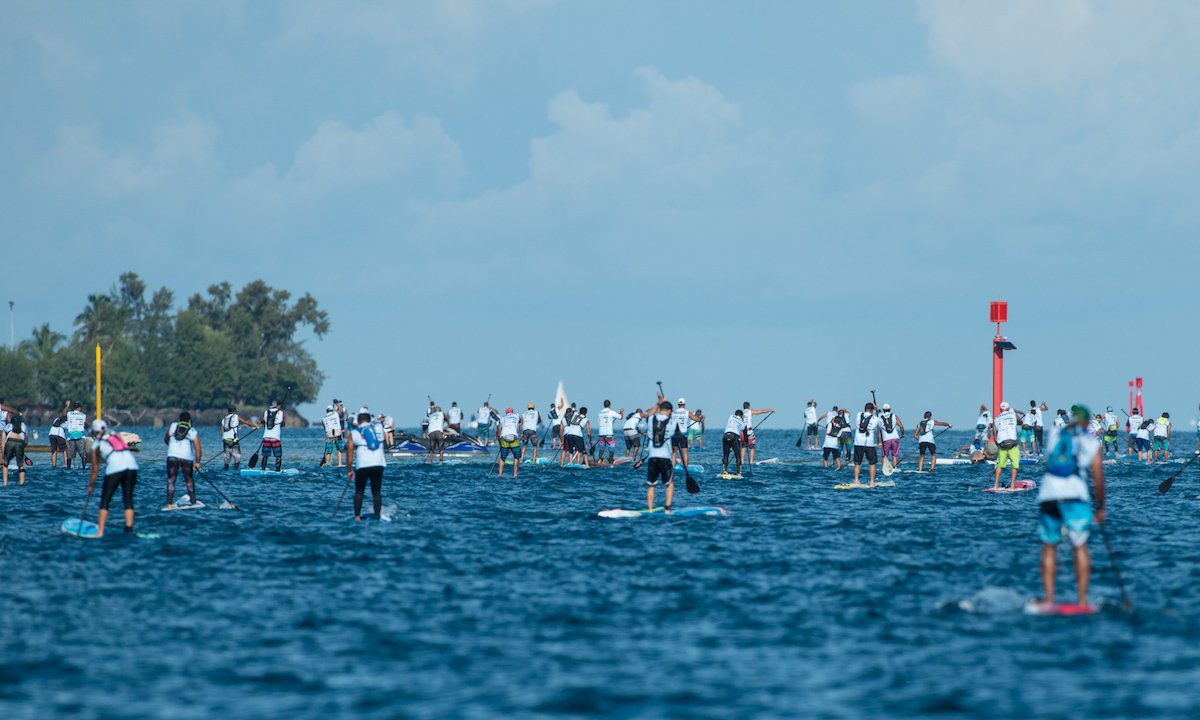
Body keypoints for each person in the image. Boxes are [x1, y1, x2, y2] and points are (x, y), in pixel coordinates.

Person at [1032, 405, 1105, 610]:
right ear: (1088, 423)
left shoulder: (1055, 432)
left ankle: (1048, 599)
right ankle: (1082, 600)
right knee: (1079, 546)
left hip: (1048, 495)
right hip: (1076, 497)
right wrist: (1101, 507)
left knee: (1049, 546)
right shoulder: (1092, 442)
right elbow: (1098, 478)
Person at [86, 419, 138, 536]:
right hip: (132, 466)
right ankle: (129, 529)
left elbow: (95, 468)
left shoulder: (97, 443)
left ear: (95, 432)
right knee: (128, 499)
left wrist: (91, 485)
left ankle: (100, 532)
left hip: (115, 468)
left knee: (105, 500)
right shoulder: (116, 435)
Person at [635, 400, 681, 513]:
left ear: (659, 410)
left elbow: (650, 414)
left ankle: (650, 510)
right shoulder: (673, 423)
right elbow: (679, 435)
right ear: (670, 411)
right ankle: (667, 509)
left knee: (651, 485)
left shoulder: (651, 420)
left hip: (652, 457)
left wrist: (658, 402)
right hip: (665, 457)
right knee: (669, 484)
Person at [347, 410, 387, 520]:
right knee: (376, 492)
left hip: (362, 464)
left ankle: (357, 516)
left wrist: (349, 470)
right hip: (378, 463)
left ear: (358, 422)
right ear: (370, 421)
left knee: (359, 491)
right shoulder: (378, 428)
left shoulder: (354, 432)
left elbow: (350, 454)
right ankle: (377, 515)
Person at [163, 412, 201, 507]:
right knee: (189, 480)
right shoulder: (192, 430)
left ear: (179, 420)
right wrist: (197, 463)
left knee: (171, 480)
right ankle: (193, 502)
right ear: (189, 421)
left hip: (172, 456)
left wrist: (173, 448)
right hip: (186, 458)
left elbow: (166, 439)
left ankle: (169, 504)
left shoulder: (172, 426)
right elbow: (198, 449)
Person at [851, 402, 884, 486]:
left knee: (857, 463)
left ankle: (856, 481)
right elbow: (880, 428)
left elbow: (866, 412)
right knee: (872, 463)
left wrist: (872, 406)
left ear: (864, 409)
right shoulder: (876, 419)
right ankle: (872, 483)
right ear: (873, 410)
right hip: (869, 444)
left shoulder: (859, 415)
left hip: (858, 443)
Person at [992, 401, 1021, 490]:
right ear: (1008, 408)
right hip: (1012, 444)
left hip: (1002, 444)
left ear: (1000, 409)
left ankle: (996, 485)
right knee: (1015, 465)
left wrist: (997, 443)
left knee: (999, 465)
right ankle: (1012, 485)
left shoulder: (996, 419)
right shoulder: (1013, 414)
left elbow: (994, 432)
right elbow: (1020, 422)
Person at [220, 405, 259, 471]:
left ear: (228, 412)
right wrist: (255, 426)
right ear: (235, 411)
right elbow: (246, 422)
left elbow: (222, 432)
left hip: (225, 440)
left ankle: (226, 470)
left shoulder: (224, 419)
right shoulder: (236, 417)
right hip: (234, 440)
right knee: (237, 456)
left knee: (227, 457)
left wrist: (225, 439)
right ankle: (235, 470)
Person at [670, 398, 702, 470]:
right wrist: (702, 417)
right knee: (685, 452)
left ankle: (673, 467)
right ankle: (685, 468)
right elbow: (697, 419)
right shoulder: (688, 412)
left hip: (674, 435)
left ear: (678, 405)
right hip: (683, 435)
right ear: (684, 404)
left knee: (674, 452)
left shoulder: (673, 413)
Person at [740, 402, 775, 467]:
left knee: (744, 447)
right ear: (749, 407)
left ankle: (742, 462)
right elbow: (760, 411)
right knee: (752, 447)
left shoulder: (741, 413)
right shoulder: (751, 411)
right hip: (749, 432)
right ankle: (751, 462)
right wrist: (770, 410)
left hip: (742, 433)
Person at [2, 411, 29, 486]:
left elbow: (3, 443)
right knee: (21, 465)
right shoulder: (24, 425)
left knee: (5, 464)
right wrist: (22, 448)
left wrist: (3, 455)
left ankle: (5, 483)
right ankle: (22, 483)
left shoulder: (7, 426)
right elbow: (26, 440)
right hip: (20, 442)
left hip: (10, 442)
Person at [260, 400, 286, 472]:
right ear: (279, 406)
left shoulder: (266, 412)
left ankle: (263, 469)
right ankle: (278, 470)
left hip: (266, 437)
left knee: (265, 455)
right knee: (278, 456)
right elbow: (283, 424)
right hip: (275, 438)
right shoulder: (281, 413)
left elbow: (262, 421)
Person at [496, 407, 521, 478]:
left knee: (502, 458)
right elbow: (520, 422)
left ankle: (500, 474)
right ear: (512, 412)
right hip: (514, 437)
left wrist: (500, 442)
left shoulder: (502, 418)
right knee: (516, 457)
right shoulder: (517, 415)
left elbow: (499, 431)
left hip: (504, 437)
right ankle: (515, 474)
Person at [65, 402, 89, 469]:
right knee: (83, 455)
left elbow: (63, 414)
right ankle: (84, 467)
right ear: (79, 408)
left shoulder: (69, 414)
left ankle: (68, 467)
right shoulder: (83, 415)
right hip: (81, 437)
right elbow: (87, 424)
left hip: (70, 437)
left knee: (69, 455)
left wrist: (67, 406)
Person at [722, 410, 744, 475]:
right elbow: (744, 434)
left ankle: (724, 470)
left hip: (726, 436)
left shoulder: (731, 417)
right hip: (734, 438)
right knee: (738, 456)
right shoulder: (743, 423)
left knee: (726, 455)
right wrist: (746, 442)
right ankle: (739, 472)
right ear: (742, 416)